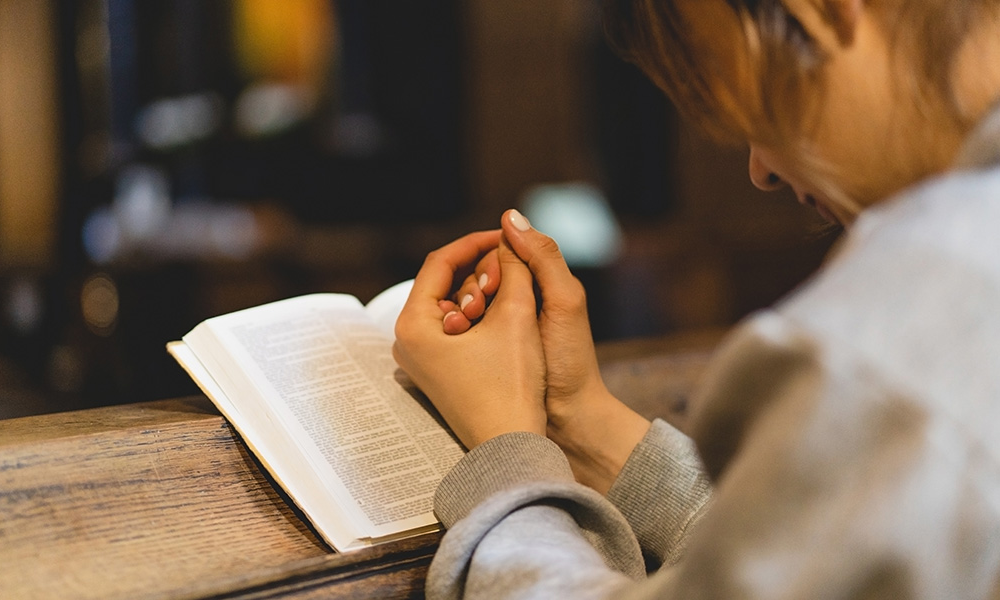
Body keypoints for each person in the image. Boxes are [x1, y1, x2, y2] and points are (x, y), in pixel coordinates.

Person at [392, 0, 1000, 597]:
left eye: (756, 106)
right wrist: (578, 419)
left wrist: (505, 458)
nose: (760, 168)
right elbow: (825, 559)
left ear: (819, 11)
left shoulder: (895, 337)